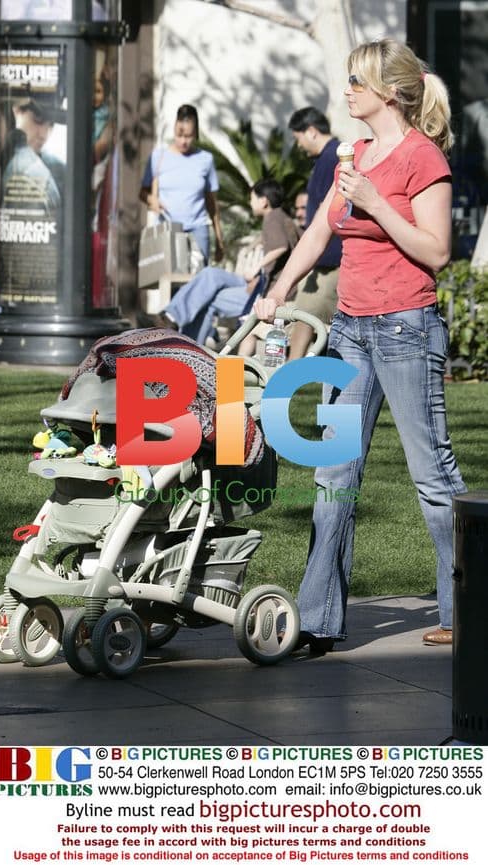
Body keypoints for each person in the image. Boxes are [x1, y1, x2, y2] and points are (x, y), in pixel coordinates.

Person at [255, 37, 466, 650]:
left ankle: (464, 608)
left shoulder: (422, 159)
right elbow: (320, 230)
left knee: (433, 476)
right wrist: (278, 287)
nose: (346, 90)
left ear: (389, 93)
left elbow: (437, 251)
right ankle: (317, 619)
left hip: (406, 330)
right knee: (333, 475)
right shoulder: (357, 155)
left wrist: (376, 203)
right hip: (348, 331)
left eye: (356, 82)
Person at [149, 178, 299, 346]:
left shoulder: (273, 218)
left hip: (264, 293)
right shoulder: (279, 216)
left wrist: (257, 268)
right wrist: (254, 245)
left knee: (209, 298)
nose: (250, 203)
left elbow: (281, 246)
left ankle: (186, 345)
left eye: (252, 198)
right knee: (210, 275)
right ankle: (173, 320)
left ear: (263, 201)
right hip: (258, 285)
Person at [286, 108, 342, 359]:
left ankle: (287, 376)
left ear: (311, 132)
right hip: (324, 258)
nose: (298, 146)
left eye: (298, 138)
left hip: (332, 257)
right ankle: (288, 374)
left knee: (305, 314)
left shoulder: (333, 158)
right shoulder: (326, 158)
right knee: (303, 314)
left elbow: (331, 209)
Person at [139, 104, 224, 265]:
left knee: (199, 283)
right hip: (168, 230)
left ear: (196, 133)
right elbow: (143, 192)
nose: (183, 141)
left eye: (189, 136)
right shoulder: (159, 157)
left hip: (197, 230)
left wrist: (219, 240)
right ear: (174, 128)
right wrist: (152, 200)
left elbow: (212, 203)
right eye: (179, 134)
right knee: (172, 285)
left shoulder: (205, 159)